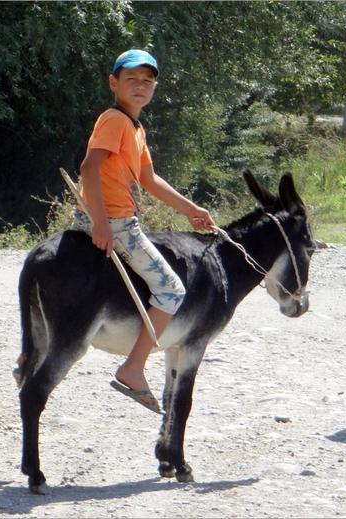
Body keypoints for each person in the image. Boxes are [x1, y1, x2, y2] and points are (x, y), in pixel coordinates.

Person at [78, 49, 215, 413]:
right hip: (119, 224)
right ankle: (133, 367)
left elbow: (148, 179)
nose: (140, 87)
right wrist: (102, 222)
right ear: (114, 83)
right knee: (172, 289)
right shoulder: (115, 120)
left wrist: (192, 210)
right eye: (131, 79)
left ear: (155, 86)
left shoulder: (135, 127)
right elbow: (89, 168)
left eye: (147, 81)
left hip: (121, 220)